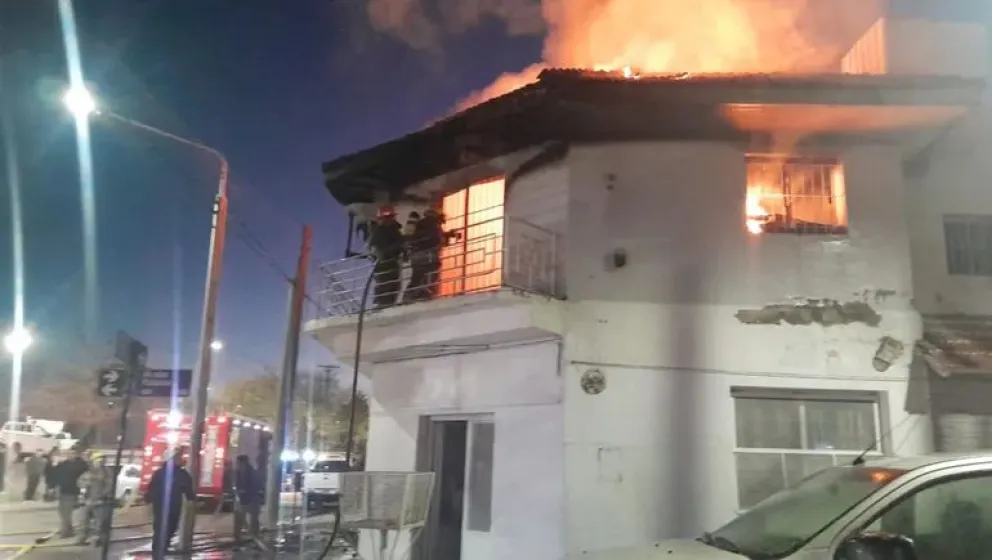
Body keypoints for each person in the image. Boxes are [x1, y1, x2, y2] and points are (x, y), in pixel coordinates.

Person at [145, 451, 195, 558]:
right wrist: (191, 498)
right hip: (171, 506)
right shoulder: (180, 474)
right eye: (178, 457)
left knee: (162, 527)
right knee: (167, 527)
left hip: (163, 506)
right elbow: (188, 488)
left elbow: (150, 488)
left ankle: (159, 549)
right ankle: (160, 549)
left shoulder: (160, 473)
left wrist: (148, 500)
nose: (181, 459)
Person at [368, 205, 405, 307]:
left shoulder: (395, 231)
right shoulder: (379, 232)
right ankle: (382, 306)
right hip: (384, 265)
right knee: (384, 286)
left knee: (394, 285)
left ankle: (388, 305)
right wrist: (397, 247)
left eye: (390, 217)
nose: (389, 219)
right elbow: (377, 250)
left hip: (393, 264)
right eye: (387, 217)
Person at [50, 447, 89, 538]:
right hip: (63, 491)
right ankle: (69, 530)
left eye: (71, 453)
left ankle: (66, 532)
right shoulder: (63, 464)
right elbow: (55, 474)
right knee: (62, 511)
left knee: (67, 512)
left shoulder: (80, 465)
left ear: (75, 454)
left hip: (73, 492)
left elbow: (85, 475)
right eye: (68, 453)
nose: (69, 455)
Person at [76, 455, 113, 546]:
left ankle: (98, 539)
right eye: (97, 460)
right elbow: (80, 482)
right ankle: (82, 538)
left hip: (100, 501)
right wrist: (84, 486)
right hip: (87, 501)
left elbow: (109, 486)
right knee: (83, 521)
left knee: (99, 523)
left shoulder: (107, 473)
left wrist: (102, 496)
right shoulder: (88, 472)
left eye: (101, 460)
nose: (99, 462)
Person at [232, 455, 261, 541]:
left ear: (244, 463)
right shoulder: (238, 473)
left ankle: (254, 535)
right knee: (238, 516)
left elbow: (255, 486)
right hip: (242, 498)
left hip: (252, 498)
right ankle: (237, 535)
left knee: (254, 517)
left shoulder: (252, 472)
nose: (238, 465)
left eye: (239, 463)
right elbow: (236, 484)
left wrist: (246, 491)